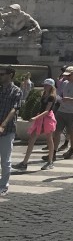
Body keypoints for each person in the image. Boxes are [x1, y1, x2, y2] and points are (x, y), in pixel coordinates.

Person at [12, 79, 57, 172]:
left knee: (49, 139)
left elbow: (47, 111)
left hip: (47, 119)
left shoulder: (51, 97)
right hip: (40, 118)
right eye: (44, 85)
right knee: (32, 139)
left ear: (51, 86)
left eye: (47, 85)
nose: (45, 86)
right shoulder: (44, 94)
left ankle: (50, 161)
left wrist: (35, 118)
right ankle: (24, 163)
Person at [0, 66, 23, 196]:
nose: (0, 76)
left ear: (10, 75)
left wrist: (3, 124)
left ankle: (3, 185)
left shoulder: (16, 91)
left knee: (5, 159)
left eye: (2, 74)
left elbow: (15, 109)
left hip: (7, 129)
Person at [54, 66, 73, 160]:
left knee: (71, 131)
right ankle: (53, 152)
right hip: (62, 109)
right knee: (57, 131)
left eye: (69, 75)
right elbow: (61, 93)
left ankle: (72, 150)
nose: (66, 77)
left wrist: (70, 99)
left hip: (72, 111)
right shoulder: (65, 83)